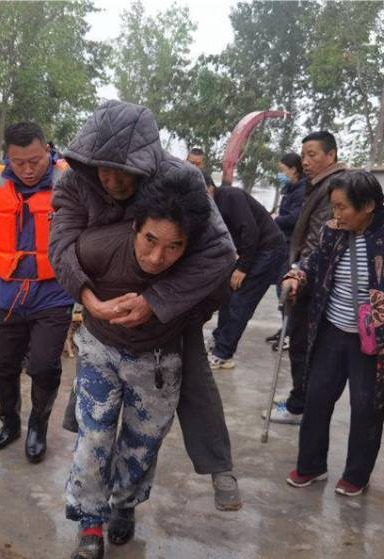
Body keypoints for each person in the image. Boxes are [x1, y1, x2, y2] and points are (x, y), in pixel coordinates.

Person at [50, 100, 242, 511]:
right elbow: (62, 248)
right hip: (103, 314)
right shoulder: (76, 183)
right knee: (94, 430)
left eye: (123, 171)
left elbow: (220, 253)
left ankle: (213, 466)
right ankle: (88, 514)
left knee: (168, 410)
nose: (111, 180)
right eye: (100, 166)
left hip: (168, 316)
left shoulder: (182, 180)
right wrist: (90, 304)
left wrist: (157, 301)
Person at [66, 191, 215, 559]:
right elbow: (62, 260)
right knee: (95, 436)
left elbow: (212, 298)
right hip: (100, 349)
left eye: (173, 247)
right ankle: (90, 524)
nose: (156, 257)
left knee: (141, 443)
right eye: (150, 240)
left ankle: (125, 503)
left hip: (159, 360)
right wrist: (91, 303)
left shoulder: (199, 267)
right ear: (135, 227)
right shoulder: (99, 246)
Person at [282, 170, 384, 496]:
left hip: (376, 340)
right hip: (331, 329)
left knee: (366, 406)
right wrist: (295, 278)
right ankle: (310, 465)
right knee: (316, 399)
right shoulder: (333, 231)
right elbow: (313, 264)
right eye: (334, 207)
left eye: (343, 208)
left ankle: (357, 475)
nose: (336, 215)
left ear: (368, 205)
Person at [0, 122, 73, 464]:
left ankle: (37, 427)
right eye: (19, 162)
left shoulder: (68, 182)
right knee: (1, 366)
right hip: (7, 292)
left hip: (52, 294)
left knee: (43, 367)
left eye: (35, 160)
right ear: (6, 159)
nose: (28, 170)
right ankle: (10, 422)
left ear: (48, 151)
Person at [267, 131, 347, 425]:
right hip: (307, 274)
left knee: (302, 344)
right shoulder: (317, 184)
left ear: (331, 155)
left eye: (312, 154)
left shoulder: (333, 188)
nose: (306, 161)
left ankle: (300, 406)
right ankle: (300, 399)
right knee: (301, 344)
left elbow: (319, 240)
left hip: (312, 280)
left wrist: (299, 274)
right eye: (303, 155)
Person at [207, 185, 287, 369]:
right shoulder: (213, 207)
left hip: (268, 250)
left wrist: (243, 267)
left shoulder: (230, 196)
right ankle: (219, 341)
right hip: (251, 252)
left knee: (240, 301)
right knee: (228, 295)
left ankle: (223, 354)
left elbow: (250, 231)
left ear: (210, 188)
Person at [266, 152, 307, 349]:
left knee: (287, 291)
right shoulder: (289, 188)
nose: (281, 174)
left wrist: (276, 219)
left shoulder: (302, 190)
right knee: (279, 289)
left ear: (293, 169)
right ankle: (285, 329)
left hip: (292, 247)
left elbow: (295, 218)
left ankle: (289, 334)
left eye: (283, 170)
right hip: (283, 244)